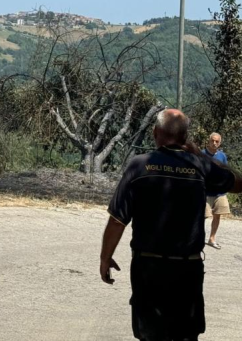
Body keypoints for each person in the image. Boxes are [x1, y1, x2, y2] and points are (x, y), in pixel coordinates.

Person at [100, 108, 242, 341]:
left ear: (155, 132)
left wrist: (105, 257)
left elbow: (117, 220)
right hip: (187, 270)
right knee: (186, 336)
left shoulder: (139, 166)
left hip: (148, 268)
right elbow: (238, 182)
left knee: (150, 336)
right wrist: (203, 156)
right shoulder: (200, 166)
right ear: (185, 138)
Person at [203, 132, 229, 250]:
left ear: (220, 142)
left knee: (217, 216)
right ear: (208, 141)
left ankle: (212, 239)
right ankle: (197, 238)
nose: (214, 143)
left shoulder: (222, 156)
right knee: (201, 216)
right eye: (212, 140)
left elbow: (226, 171)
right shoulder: (202, 154)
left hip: (220, 192)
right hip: (206, 192)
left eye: (217, 141)